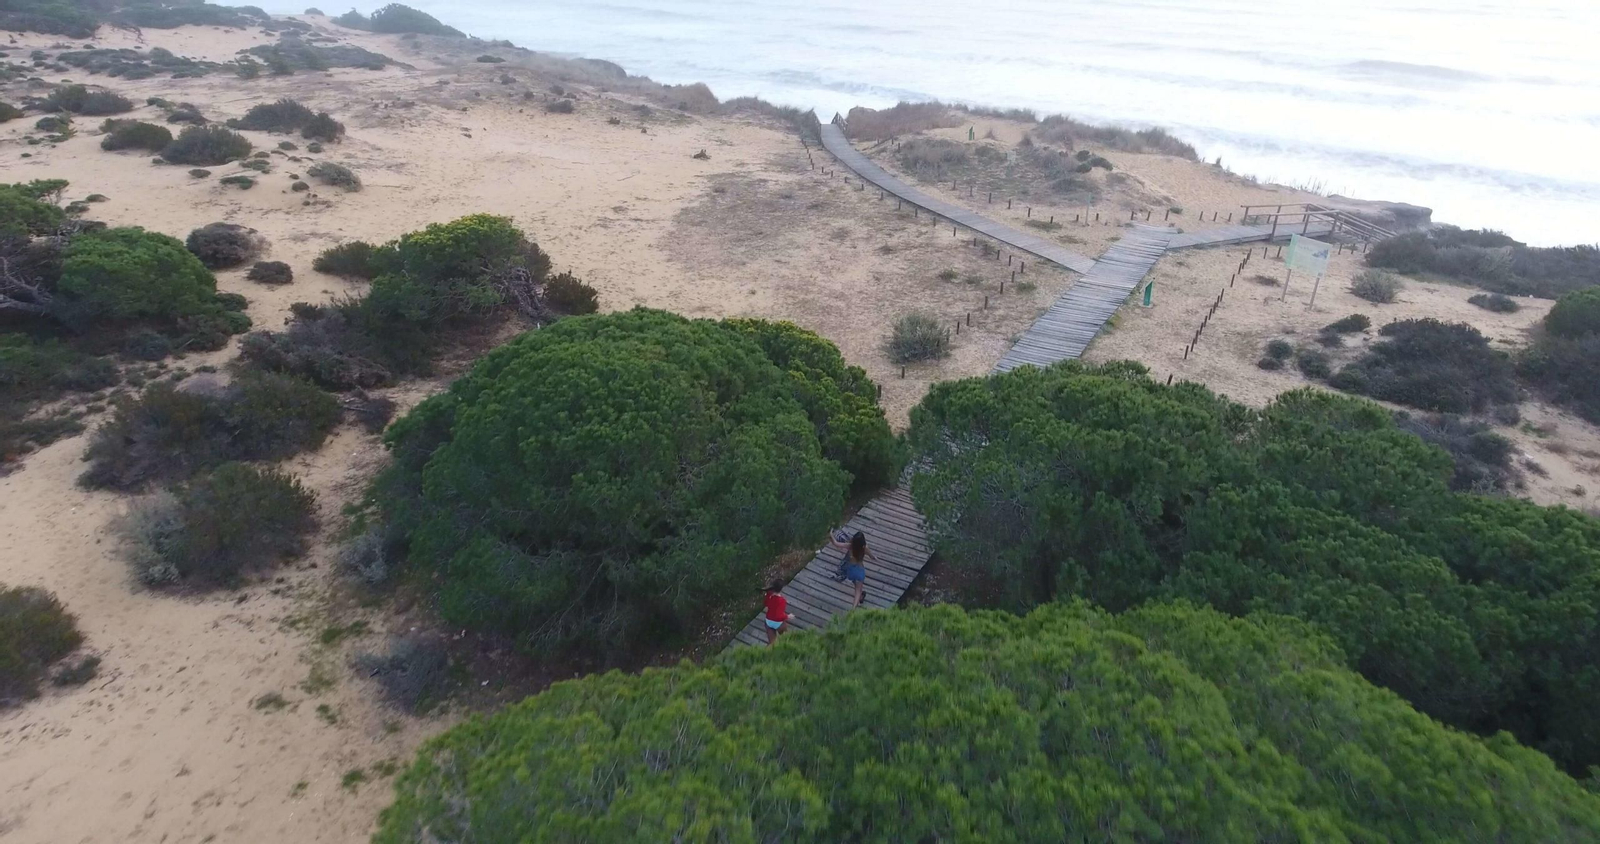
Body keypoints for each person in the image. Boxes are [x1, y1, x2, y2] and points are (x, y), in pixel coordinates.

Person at [829, 530, 873, 608]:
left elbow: (836, 544)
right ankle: (853, 609)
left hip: (851, 571)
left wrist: (831, 535)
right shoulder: (865, 548)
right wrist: (876, 559)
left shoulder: (850, 546)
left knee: (855, 584)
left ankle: (861, 597)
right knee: (858, 590)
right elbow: (872, 557)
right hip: (859, 571)